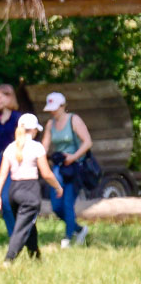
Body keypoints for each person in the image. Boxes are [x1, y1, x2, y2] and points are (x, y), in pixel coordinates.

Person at [0, 113, 63, 264]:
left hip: (14, 190)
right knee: (22, 227)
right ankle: (8, 260)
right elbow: (46, 173)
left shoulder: (10, 148)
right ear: (34, 130)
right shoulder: (37, 147)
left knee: (28, 224)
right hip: (30, 190)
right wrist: (57, 186)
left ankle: (35, 257)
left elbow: (2, 175)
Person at [40, 91, 92, 248]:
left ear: (63, 106)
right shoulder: (50, 124)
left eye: (55, 108)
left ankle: (67, 239)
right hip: (59, 168)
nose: (52, 111)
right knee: (57, 206)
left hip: (75, 167)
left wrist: (73, 157)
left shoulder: (74, 120)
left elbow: (87, 142)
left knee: (68, 203)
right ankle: (79, 229)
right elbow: (45, 146)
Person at [0, 84, 21, 236]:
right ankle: (12, 235)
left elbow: (22, 141)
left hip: (15, 160)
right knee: (2, 199)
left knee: (12, 200)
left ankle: (21, 232)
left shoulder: (18, 118)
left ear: (9, 97)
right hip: (0, 160)